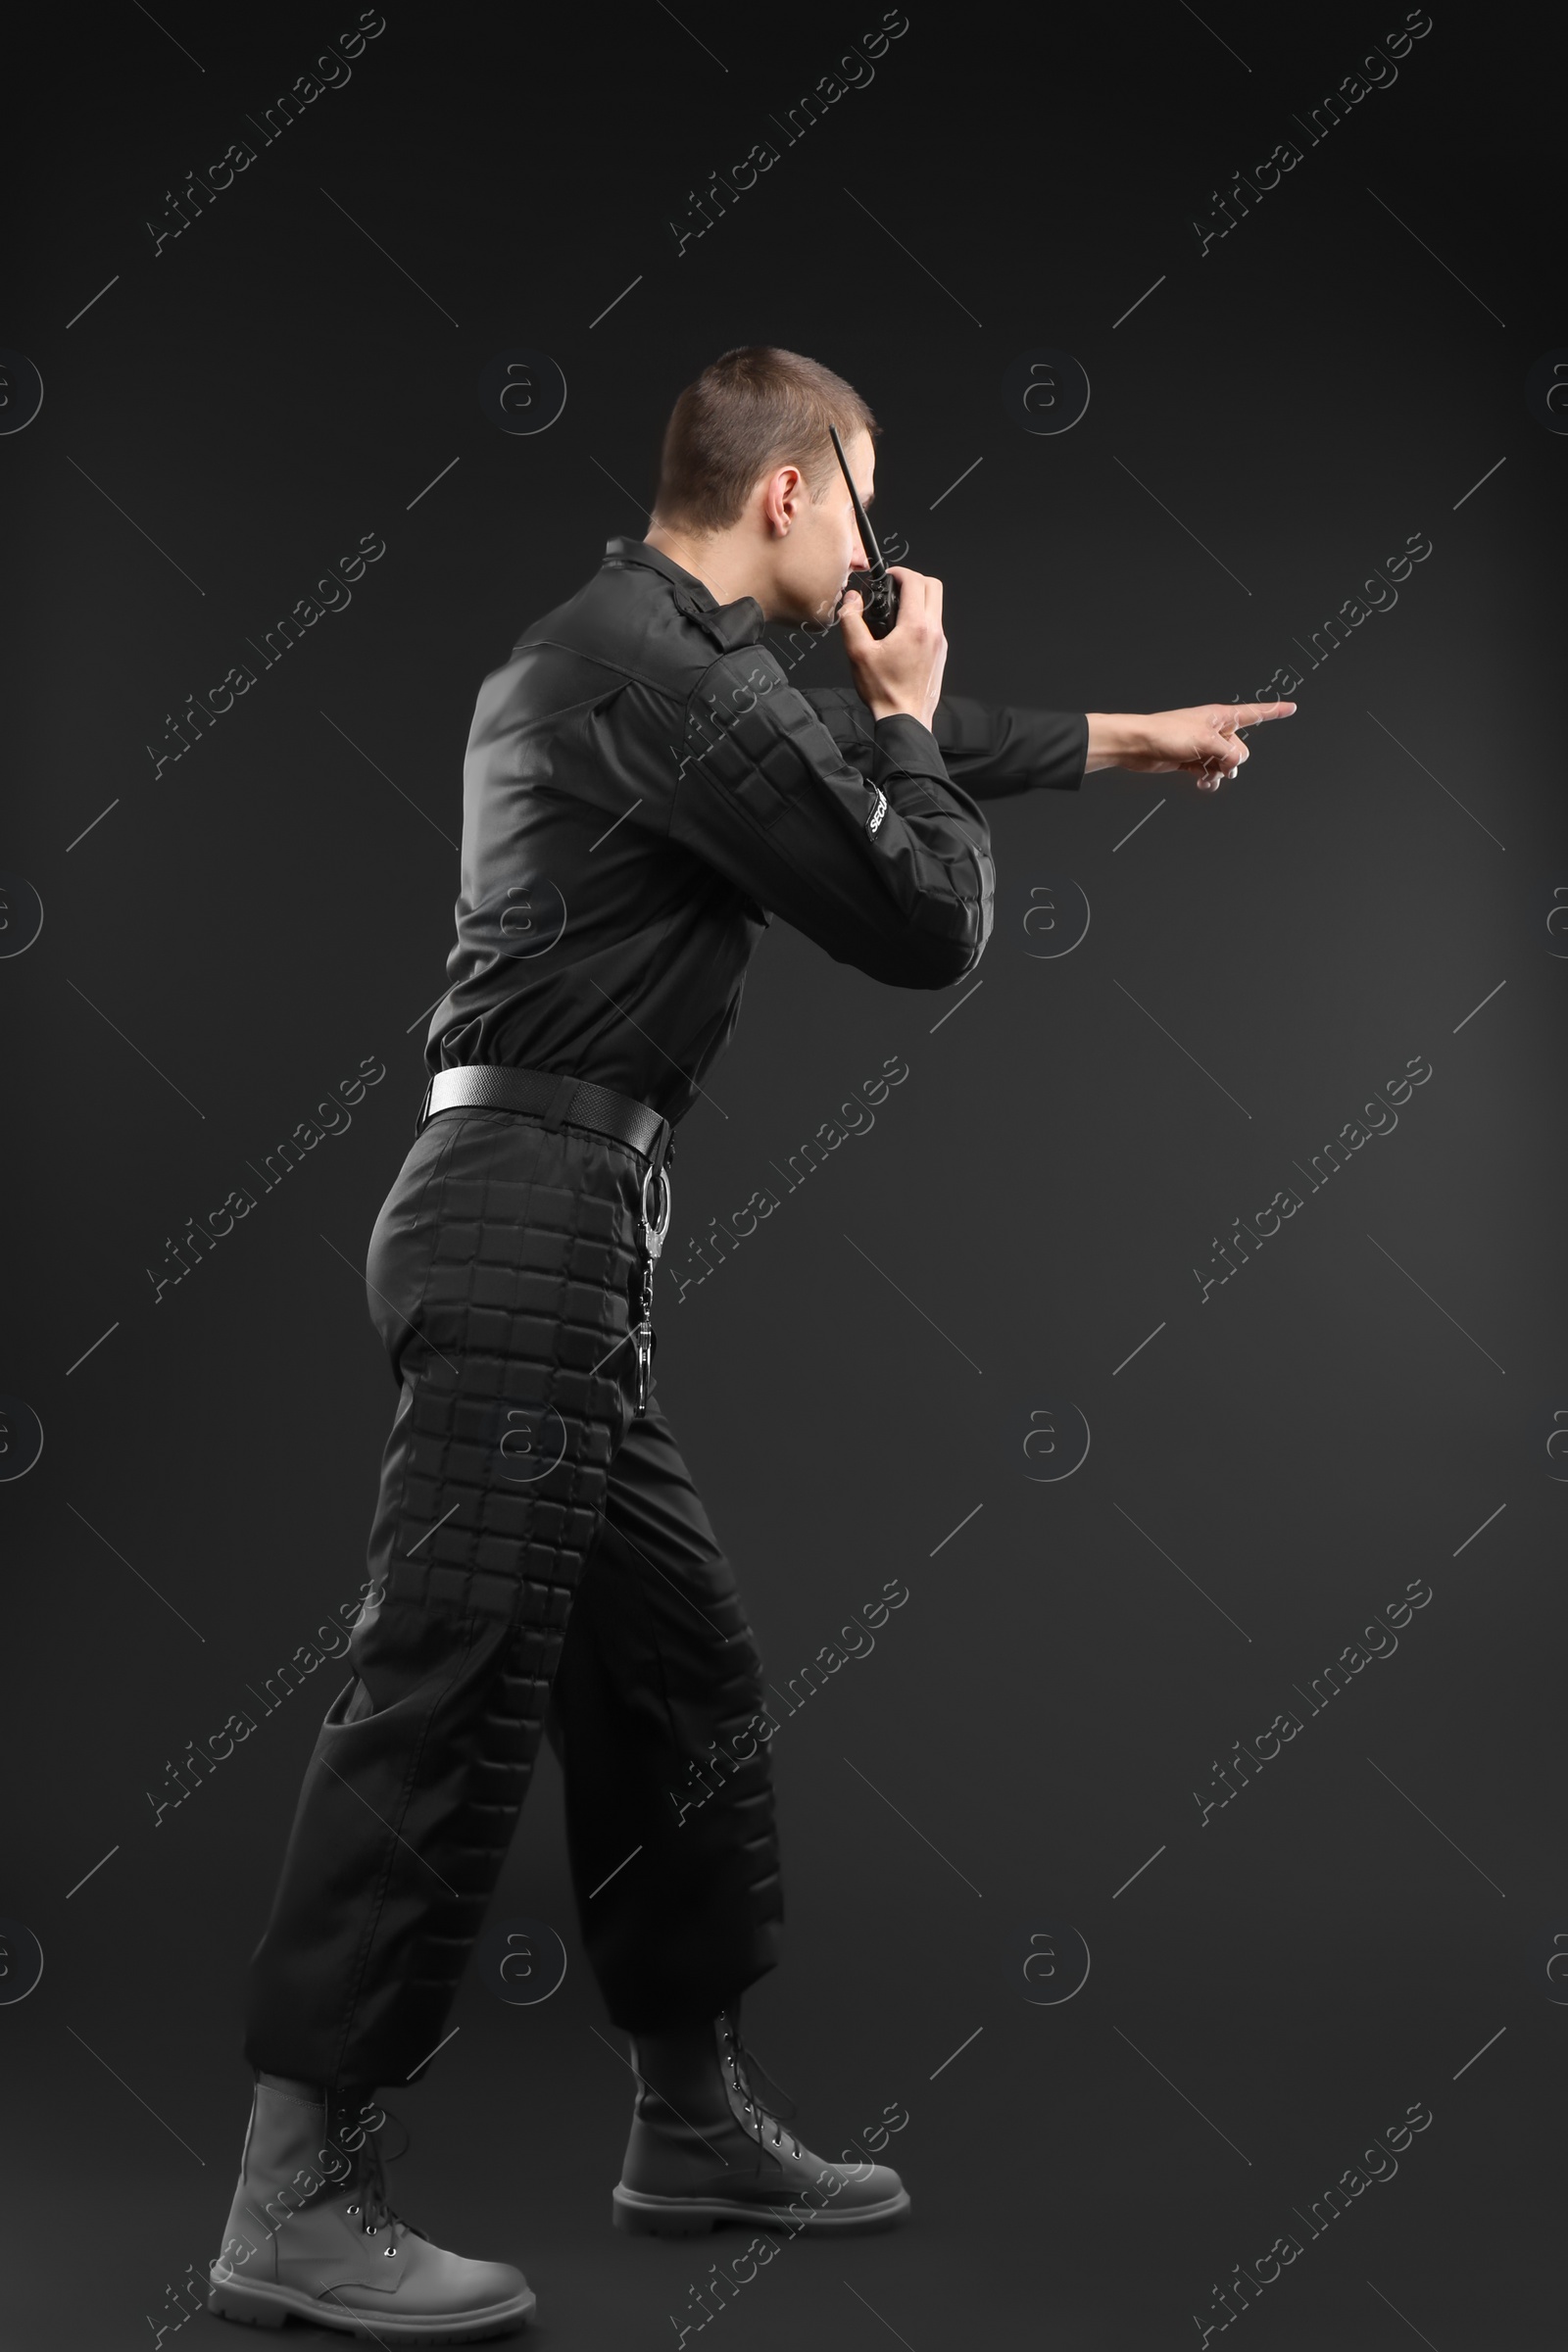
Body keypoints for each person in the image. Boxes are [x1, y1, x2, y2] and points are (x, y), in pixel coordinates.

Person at [207, 344, 1295, 2338]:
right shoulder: (655, 668)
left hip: (547, 1227)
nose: (880, 545)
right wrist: (895, 710)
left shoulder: (653, 657)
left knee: (670, 1667)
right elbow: (923, 920)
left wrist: (1124, 740)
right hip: (522, 1222)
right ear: (792, 493)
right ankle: (298, 2195)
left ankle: (688, 2122)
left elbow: (861, 754)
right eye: (867, 499)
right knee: (442, 1687)